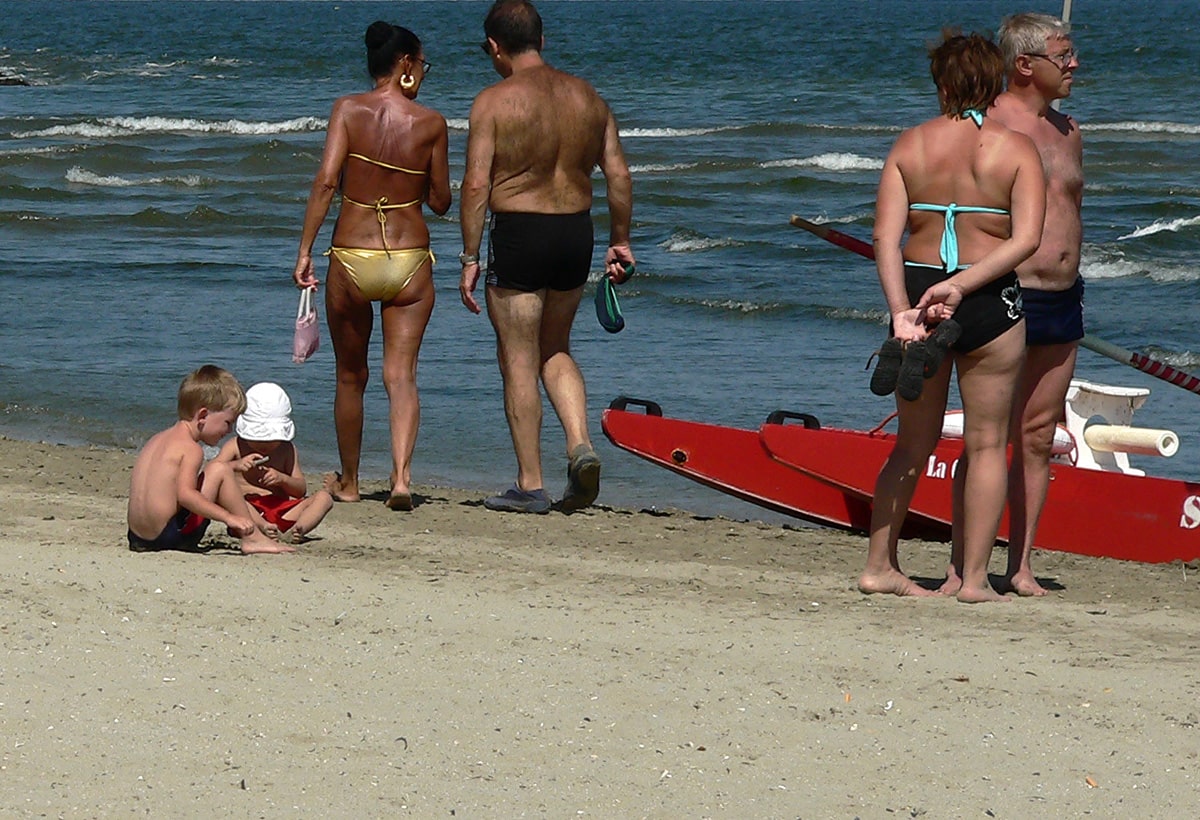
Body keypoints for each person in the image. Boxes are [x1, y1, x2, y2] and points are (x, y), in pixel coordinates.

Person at [859, 31, 1045, 602]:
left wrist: (900, 313)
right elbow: (1026, 240)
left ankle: (879, 566)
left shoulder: (910, 145)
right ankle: (972, 580)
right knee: (987, 444)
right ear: (994, 84)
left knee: (911, 447)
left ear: (941, 83)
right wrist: (963, 286)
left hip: (918, 297)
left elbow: (884, 240)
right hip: (987, 297)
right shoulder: (1016, 149)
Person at [458, 0, 634, 514]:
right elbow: (619, 175)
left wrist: (470, 255)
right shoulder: (589, 97)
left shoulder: (493, 102)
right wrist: (619, 240)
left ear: (494, 47)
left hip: (520, 232)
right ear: (543, 38)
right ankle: (580, 445)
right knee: (556, 346)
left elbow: (475, 185)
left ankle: (529, 484)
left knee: (517, 358)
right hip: (575, 233)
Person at [293, 21, 451, 511]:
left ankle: (351, 482)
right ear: (405, 63)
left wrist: (304, 251)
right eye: (422, 64)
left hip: (352, 255)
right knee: (400, 375)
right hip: (408, 259)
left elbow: (325, 182)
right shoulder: (432, 123)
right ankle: (402, 480)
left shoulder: (347, 110)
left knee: (349, 377)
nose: (423, 73)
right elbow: (442, 201)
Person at [991, 13, 1084, 597]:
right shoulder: (990, 124)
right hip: (1007, 293)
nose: (1075, 64)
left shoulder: (1070, 129)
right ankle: (967, 563)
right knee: (987, 434)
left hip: (1064, 298)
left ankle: (1021, 566)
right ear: (1025, 65)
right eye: (1064, 55)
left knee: (1037, 434)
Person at [127, 366, 294, 554]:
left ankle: (254, 534)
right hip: (167, 538)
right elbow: (186, 495)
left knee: (219, 468)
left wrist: (235, 465)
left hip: (138, 537)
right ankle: (253, 538)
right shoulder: (191, 449)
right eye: (227, 422)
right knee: (219, 470)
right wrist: (228, 517)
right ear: (203, 416)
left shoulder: (158, 439)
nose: (229, 431)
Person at [213, 382, 334, 542]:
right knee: (235, 500)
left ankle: (299, 529)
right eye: (258, 439)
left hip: (282, 511)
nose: (264, 444)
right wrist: (236, 465)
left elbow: (300, 490)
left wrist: (282, 479)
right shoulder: (235, 446)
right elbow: (212, 472)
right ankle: (262, 527)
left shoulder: (287, 449)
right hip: (248, 512)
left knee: (324, 497)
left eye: (271, 439)